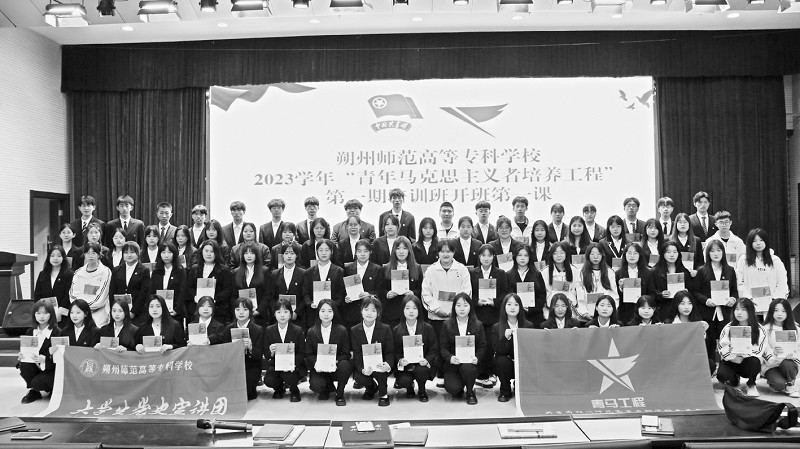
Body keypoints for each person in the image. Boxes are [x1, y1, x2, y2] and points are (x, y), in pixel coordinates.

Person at [470, 244, 510, 389]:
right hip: (478, 315)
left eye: (489, 255)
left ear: (493, 257)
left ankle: (490, 374)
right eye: (483, 255)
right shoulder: (472, 273)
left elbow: (505, 293)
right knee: (479, 345)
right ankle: (480, 375)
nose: (486, 258)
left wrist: (495, 302)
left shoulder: (501, 273)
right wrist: (477, 302)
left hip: (494, 315)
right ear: (479, 257)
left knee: (490, 346)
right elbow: (469, 293)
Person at [692, 239, 738, 360]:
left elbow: (734, 290)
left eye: (718, 250)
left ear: (723, 252)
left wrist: (733, 299)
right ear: (708, 253)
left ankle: (726, 366)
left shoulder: (730, 270)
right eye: (712, 251)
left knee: (726, 343)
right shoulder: (702, 271)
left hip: (725, 312)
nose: (716, 253)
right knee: (709, 343)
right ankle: (710, 366)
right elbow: (695, 292)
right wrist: (706, 300)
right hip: (708, 313)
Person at [439, 293, 486, 405]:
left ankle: (470, 392)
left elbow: (482, 346)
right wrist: (450, 358)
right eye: (458, 305)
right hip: (453, 365)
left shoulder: (478, 325)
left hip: (470, 364)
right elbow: (443, 347)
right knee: (453, 389)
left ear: (470, 307)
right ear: (454, 307)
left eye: (465, 305)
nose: (462, 309)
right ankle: (460, 387)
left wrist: (477, 357)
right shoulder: (446, 325)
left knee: (468, 369)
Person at [304, 299, 352, 406]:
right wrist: (317, 362)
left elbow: (346, 354)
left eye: (330, 311)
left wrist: (336, 361)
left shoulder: (341, 330)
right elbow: (308, 354)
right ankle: (326, 388)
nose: (326, 314)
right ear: (318, 312)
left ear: (334, 313)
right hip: (319, 368)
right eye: (323, 311)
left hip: (336, 366)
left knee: (345, 365)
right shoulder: (311, 332)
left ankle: (340, 393)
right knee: (316, 385)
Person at [717, 298, 768, 397]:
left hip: (747, 362)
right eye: (737, 309)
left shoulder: (759, 329)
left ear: (751, 311)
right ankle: (734, 379)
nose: (739, 312)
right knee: (723, 375)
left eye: (743, 309)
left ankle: (751, 384)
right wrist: (731, 353)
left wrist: (743, 353)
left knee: (755, 362)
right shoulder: (728, 328)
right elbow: (721, 348)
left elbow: (758, 351)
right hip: (731, 360)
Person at [420, 239, 472, 337]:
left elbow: (466, 292)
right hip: (436, 319)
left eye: (448, 251)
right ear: (438, 253)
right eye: (442, 251)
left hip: (457, 318)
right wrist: (436, 310)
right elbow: (425, 293)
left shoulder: (462, 270)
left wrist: (456, 310)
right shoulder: (431, 270)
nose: (445, 254)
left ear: (453, 252)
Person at [393, 295, 438, 402]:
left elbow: (433, 349)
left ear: (419, 310)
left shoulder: (427, 328)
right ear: (403, 310)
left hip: (422, 365)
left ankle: (422, 390)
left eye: (414, 308)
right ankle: (409, 388)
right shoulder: (396, 330)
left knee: (422, 371)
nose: (411, 311)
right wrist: (400, 360)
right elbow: (395, 351)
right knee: (403, 380)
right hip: (406, 366)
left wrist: (427, 360)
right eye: (407, 308)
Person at [351, 296, 394, 406]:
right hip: (365, 366)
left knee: (380, 370)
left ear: (378, 313)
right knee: (359, 377)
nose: (369, 313)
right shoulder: (354, 330)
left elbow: (389, 352)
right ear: (361, 311)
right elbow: (357, 354)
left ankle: (384, 394)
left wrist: (387, 364)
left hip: (381, 365)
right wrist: (362, 369)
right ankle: (371, 388)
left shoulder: (385, 329)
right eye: (366, 309)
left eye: (373, 310)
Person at [17, 299, 61, 404]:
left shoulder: (57, 332)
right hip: (36, 367)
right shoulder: (30, 331)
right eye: (38, 313)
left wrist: (45, 359)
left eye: (45, 313)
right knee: (24, 365)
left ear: (51, 314)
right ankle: (34, 391)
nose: (41, 316)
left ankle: (54, 388)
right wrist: (22, 356)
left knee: (38, 382)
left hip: (52, 369)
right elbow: (27, 352)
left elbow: (60, 358)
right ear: (34, 315)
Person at [219, 298, 264, 400]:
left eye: (245, 309)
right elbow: (223, 349)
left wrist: (251, 348)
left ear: (250, 311)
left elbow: (259, 355)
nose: (241, 312)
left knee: (245, 394)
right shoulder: (228, 329)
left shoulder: (257, 330)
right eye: (238, 309)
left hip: (250, 367)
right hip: (233, 366)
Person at [262, 296, 305, 402]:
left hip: (293, 366)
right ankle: (279, 388)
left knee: (289, 375)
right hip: (276, 365)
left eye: (285, 312)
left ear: (290, 314)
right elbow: (266, 354)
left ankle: (294, 390)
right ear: (274, 314)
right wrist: (271, 352)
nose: (282, 315)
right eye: (279, 312)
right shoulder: (269, 330)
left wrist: (292, 364)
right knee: (268, 380)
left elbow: (302, 353)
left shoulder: (298, 330)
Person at [492, 293, 532, 402]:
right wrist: (505, 338)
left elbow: (530, 350)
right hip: (507, 364)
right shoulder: (496, 328)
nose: (512, 307)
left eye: (516, 304)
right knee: (501, 360)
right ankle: (505, 390)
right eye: (509, 304)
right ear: (504, 307)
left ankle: (519, 384)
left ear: (520, 307)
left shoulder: (528, 326)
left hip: (523, 363)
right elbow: (498, 350)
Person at [736, 229, 789, 310]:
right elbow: (739, 282)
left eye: (761, 240)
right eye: (754, 241)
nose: (758, 243)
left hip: (771, 305)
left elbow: (782, 281)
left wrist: (775, 300)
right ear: (750, 243)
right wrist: (748, 299)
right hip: (750, 305)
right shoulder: (743, 260)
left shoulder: (775, 260)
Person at [302, 239, 346, 329]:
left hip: (333, 315)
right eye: (321, 250)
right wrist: (310, 303)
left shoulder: (339, 271)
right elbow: (305, 293)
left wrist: (331, 306)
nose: (324, 253)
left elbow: (341, 293)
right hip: (313, 314)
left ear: (331, 252)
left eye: (327, 250)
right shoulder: (309, 272)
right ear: (317, 252)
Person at [382, 237, 423, 330]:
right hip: (392, 313)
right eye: (398, 248)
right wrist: (387, 294)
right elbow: (381, 289)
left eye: (404, 248)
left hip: (411, 313)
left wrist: (413, 293)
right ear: (394, 250)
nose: (401, 251)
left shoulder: (417, 268)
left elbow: (421, 290)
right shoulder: (386, 268)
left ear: (409, 250)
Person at [189, 240, 235, 323]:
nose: (209, 254)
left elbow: (228, 290)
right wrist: (195, 297)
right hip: (197, 310)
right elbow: (189, 287)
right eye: (206, 251)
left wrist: (215, 299)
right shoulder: (194, 268)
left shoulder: (224, 270)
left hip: (218, 311)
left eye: (212, 251)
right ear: (201, 252)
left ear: (216, 253)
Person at [342, 240, 384, 330]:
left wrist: (369, 294)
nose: (362, 254)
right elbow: (343, 289)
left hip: (370, 311)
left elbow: (380, 290)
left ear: (370, 252)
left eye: (365, 251)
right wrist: (346, 297)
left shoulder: (377, 269)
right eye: (359, 251)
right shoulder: (348, 268)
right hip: (352, 312)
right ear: (355, 253)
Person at [761, 299, 800, 397]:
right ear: (771, 311)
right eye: (776, 310)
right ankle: (778, 382)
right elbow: (763, 349)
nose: (779, 314)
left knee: (787, 363)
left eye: (783, 311)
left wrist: (794, 355)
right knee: (778, 385)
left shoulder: (796, 329)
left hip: (789, 364)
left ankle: (791, 385)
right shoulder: (765, 329)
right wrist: (774, 352)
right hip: (772, 365)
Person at [69, 242, 112, 327]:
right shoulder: (78, 272)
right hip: (79, 314)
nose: (90, 256)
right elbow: (73, 295)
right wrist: (81, 309)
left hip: (99, 314)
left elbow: (101, 298)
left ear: (99, 255)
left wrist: (84, 308)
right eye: (88, 253)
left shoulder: (105, 272)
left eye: (93, 253)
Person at [109, 242, 151, 327]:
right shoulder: (116, 270)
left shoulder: (144, 270)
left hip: (137, 312)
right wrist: (114, 310)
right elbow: (112, 291)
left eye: (132, 252)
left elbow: (144, 293)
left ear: (138, 254)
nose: (129, 255)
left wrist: (133, 312)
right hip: (119, 311)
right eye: (126, 252)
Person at [614, 243, 658, 324]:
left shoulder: (648, 273)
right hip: (625, 313)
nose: (632, 256)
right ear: (624, 255)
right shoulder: (618, 274)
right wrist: (620, 288)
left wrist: (644, 302)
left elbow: (652, 293)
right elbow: (615, 296)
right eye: (629, 253)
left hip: (644, 312)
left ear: (640, 255)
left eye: (635, 253)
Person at [575, 243, 619, 324]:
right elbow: (580, 297)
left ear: (602, 255)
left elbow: (614, 295)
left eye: (598, 254)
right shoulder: (581, 273)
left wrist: (609, 311)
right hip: (587, 317)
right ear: (588, 255)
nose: (595, 257)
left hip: (606, 315)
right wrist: (584, 313)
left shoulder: (609, 272)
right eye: (592, 254)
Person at [266, 243, 306, 330]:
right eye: (286, 253)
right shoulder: (275, 274)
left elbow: (305, 296)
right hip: (279, 318)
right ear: (282, 255)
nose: (289, 256)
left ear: (296, 255)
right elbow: (271, 296)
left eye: (292, 253)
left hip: (297, 318)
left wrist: (296, 312)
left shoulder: (303, 273)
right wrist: (277, 312)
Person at [505, 244, 547, 327]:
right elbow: (506, 295)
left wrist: (531, 309)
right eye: (520, 255)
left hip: (534, 316)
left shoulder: (537, 274)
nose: (522, 258)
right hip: (514, 317)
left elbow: (542, 296)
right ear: (515, 257)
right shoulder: (508, 275)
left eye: (526, 255)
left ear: (530, 257)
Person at [149, 241, 188, 327]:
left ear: (174, 254)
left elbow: (183, 291)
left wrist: (176, 309)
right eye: (163, 252)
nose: (166, 255)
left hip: (175, 312)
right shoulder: (156, 271)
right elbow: (152, 291)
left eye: (169, 252)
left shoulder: (180, 270)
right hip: (158, 311)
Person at [33, 245, 74, 326]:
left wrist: (60, 311)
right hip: (44, 314)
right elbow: (37, 294)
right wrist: (42, 311)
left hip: (62, 315)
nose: (55, 258)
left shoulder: (69, 274)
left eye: (59, 256)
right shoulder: (42, 274)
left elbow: (68, 294)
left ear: (63, 258)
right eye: (52, 256)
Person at [652, 241, 692, 321]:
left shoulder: (684, 271)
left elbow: (692, 290)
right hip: (663, 309)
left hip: (681, 310)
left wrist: (686, 292)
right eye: (668, 252)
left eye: (675, 252)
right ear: (663, 254)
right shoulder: (655, 271)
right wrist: (661, 294)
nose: (672, 255)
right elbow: (650, 292)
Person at [233, 241, 270, 327]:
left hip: (259, 316)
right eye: (246, 253)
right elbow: (233, 295)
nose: (249, 256)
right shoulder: (235, 272)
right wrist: (239, 311)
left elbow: (268, 294)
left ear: (257, 255)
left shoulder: (264, 271)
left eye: (252, 253)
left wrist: (258, 310)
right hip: (241, 316)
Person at [541, 242, 579, 319]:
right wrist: (555, 302)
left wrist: (568, 301)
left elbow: (575, 289)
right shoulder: (545, 272)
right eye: (555, 253)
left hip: (570, 307)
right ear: (551, 255)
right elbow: (545, 292)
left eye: (562, 253)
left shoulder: (574, 270)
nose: (559, 256)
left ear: (566, 254)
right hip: (551, 307)